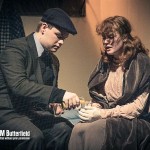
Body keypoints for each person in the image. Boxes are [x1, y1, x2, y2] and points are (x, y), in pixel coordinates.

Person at [0, 8, 80, 150]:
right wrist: (60, 94)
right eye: (58, 36)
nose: (61, 42)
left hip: (32, 115)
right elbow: (19, 85)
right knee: (32, 136)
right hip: (7, 116)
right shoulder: (16, 48)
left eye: (64, 39)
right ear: (44, 28)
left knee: (64, 128)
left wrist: (55, 104)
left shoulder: (53, 60)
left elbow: (46, 93)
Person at [68, 16, 150, 150]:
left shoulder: (141, 62)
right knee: (78, 128)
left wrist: (102, 114)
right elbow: (100, 97)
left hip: (135, 120)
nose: (106, 41)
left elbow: (138, 107)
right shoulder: (106, 63)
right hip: (109, 116)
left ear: (124, 37)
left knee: (95, 130)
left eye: (111, 37)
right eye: (104, 37)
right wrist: (94, 108)